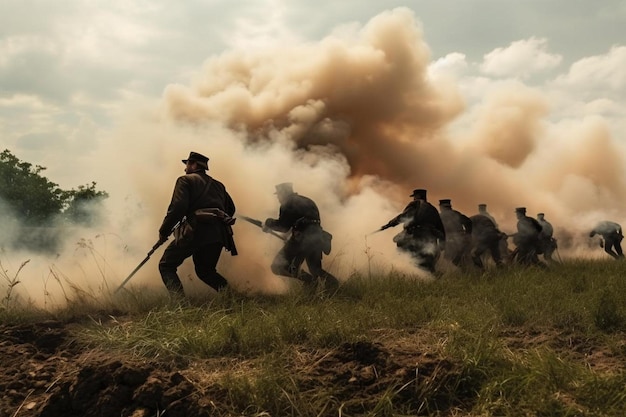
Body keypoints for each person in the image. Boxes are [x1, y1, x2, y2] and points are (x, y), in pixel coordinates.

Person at [158, 151, 237, 296]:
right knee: (206, 272)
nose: (185, 168)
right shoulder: (219, 185)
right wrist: (214, 218)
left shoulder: (185, 180)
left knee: (166, 265)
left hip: (195, 231)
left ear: (193, 164)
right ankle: (234, 299)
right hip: (218, 234)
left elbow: (177, 208)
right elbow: (231, 209)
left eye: (187, 164)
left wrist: (164, 231)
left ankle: (180, 306)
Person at [263, 183, 339, 291]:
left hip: (302, 239)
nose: (278, 198)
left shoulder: (287, 203)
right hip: (317, 238)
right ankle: (334, 286)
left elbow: (283, 226)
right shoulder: (308, 201)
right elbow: (307, 223)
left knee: (277, 266)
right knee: (316, 270)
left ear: (284, 193)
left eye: (279, 194)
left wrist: (268, 223)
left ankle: (310, 282)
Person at [381, 189, 446, 274]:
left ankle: (404, 273)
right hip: (430, 239)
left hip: (415, 235)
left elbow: (404, 216)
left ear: (418, 196)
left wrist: (389, 224)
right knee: (427, 262)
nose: (414, 198)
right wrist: (442, 243)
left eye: (414, 196)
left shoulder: (415, 204)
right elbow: (441, 228)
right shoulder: (433, 209)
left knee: (403, 254)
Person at [438, 199, 472, 269]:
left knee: (449, 260)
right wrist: (467, 234)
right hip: (460, 239)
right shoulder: (456, 213)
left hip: (448, 240)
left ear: (441, 207)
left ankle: (458, 273)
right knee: (460, 259)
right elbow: (468, 222)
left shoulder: (440, 216)